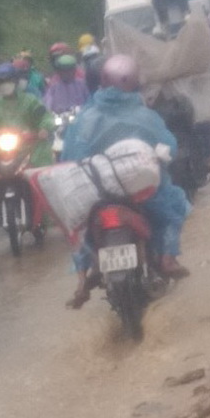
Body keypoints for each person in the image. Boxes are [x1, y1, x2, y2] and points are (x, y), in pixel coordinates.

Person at [60, 54, 193, 295]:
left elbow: (69, 156)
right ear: (134, 81)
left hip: (98, 192)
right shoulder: (145, 116)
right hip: (139, 192)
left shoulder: (86, 118)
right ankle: (167, 257)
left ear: (102, 80)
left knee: (79, 225)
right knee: (173, 208)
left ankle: (82, 278)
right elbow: (168, 147)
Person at [0, 63, 53, 246]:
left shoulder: (29, 101)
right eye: (1, 81)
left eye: (8, 80)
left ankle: (41, 223)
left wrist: (43, 128)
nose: (5, 84)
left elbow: (44, 116)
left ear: (15, 82)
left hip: (27, 152)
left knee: (37, 186)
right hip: (2, 154)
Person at [42, 49, 90, 114]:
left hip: (80, 119)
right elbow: (47, 104)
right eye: (64, 71)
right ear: (59, 72)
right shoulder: (53, 88)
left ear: (74, 70)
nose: (67, 73)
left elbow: (89, 102)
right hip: (60, 120)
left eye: (70, 70)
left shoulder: (82, 85)